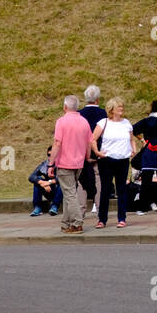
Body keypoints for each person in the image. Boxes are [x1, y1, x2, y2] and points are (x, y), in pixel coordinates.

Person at [51, 95, 96, 234]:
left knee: (70, 194)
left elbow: (57, 143)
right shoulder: (84, 122)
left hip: (64, 162)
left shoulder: (61, 122)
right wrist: (87, 157)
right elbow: (89, 142)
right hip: (79, 163)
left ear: (65, 107)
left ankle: (77, 222)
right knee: (68, 192)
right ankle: (66, 223)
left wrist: (50, 163)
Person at [93, 98, 134, 229]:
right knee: (105, 190)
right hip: (107, 160)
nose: (121, 109)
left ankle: (122, 218)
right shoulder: (103, 123)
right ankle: (102, 219)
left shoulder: (126, 123)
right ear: (112, 109)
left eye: (122, 107)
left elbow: (131, 139)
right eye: (119, 107)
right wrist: (98, 153)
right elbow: (92, 139)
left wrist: (133, 149)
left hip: (123, 160)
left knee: (121, 189)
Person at [79, 85, 106, 216]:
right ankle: (100, 208)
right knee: (99, 178)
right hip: (100, 150)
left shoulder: (79, 114)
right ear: (98, 99)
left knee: (81, 180)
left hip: (81, 151)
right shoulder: (103, 113)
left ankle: (81, 210)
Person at [28, 146, 63, 216]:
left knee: (62, 183)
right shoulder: (45, 164)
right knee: (37, 180)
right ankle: (37, 207)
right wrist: (43, 183)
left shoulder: (62, 164)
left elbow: (63, 178)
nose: (50, 157)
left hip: (61, 193)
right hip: (48, 189)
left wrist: (49, 182)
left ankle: (55, 206)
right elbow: (31, 177)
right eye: (49, 155)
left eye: (53, 155)